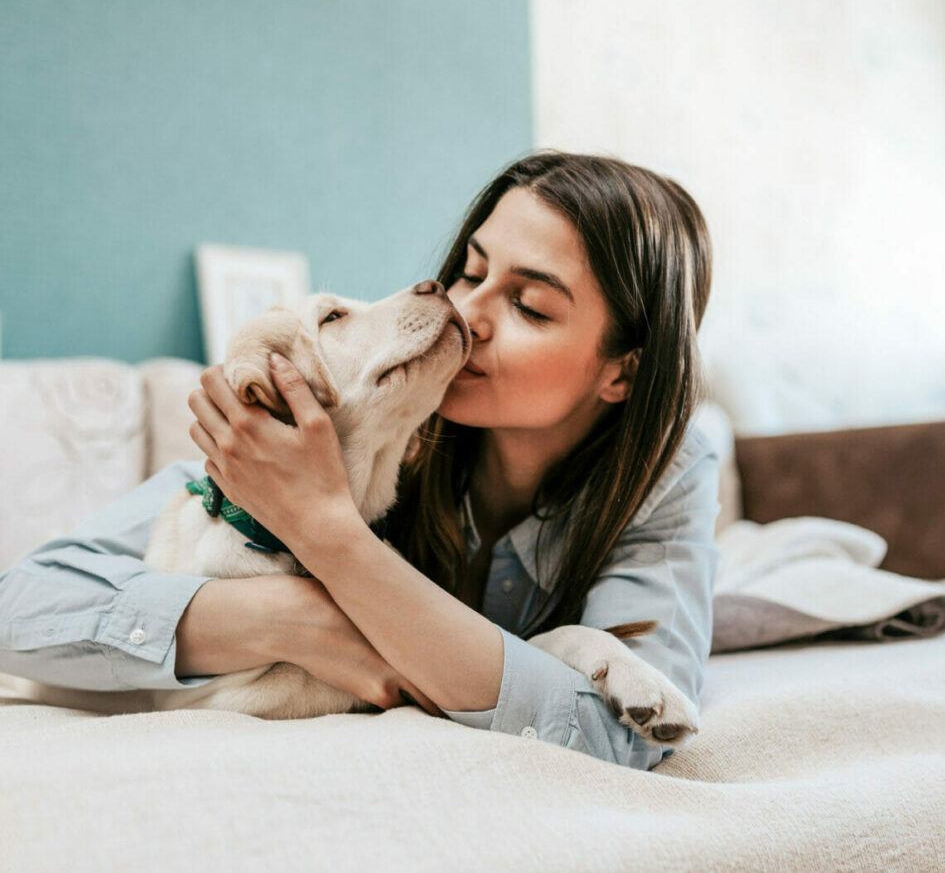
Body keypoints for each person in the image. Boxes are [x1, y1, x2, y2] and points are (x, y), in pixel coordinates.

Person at [0, 151, 720, 770]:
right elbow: (20, 604)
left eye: (529, 305)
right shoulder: (359, 420)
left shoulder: (668, 471)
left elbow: (621, 735)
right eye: (471, 273)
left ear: (622, 373)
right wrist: (288, 615)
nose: (468, 312)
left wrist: (330, 536)